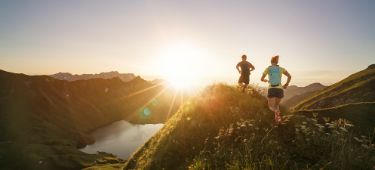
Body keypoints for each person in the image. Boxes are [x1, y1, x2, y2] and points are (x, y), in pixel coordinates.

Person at [261, 55, 291, 124]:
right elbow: (289, 76)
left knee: (271, 107)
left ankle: (277, 113)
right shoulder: (281, 69)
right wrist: (286, 84)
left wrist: (265, 80)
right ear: (277, 62)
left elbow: (261, 79)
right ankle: (278, 120)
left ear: (271, 62)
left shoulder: (268, 69)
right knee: (276, 105)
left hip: (271, 89)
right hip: (280, 89)